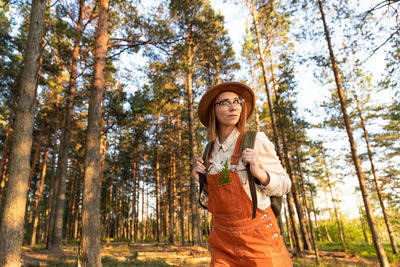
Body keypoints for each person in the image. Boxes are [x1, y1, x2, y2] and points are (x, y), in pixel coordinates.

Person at [192, 81, 293, 266]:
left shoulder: (256, 140)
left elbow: (285, 185)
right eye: (225, 102)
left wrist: (260, 173)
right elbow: (216, 198)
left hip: (260, 239)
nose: (233, 106)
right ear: (213, 111)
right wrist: (202, 182)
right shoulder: (208, 151)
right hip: (222, 242)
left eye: (237, 101)